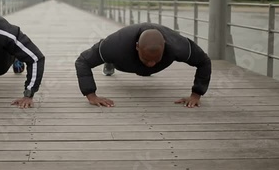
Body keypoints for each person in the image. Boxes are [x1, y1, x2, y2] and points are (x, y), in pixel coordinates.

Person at [75, 23, 211, 108]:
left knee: (147, 69)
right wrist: (91, 95)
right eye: (147, 59)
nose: (151, 64)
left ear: (165, 47)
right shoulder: (114, 45)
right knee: (107, 55)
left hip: (155, 62)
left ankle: (150, 62)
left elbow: (204, 61)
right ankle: (108, 62)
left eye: (155, 59)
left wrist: (196, 95)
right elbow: (82, 61)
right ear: (137, 47)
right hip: (124, 61)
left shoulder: (177, 46)